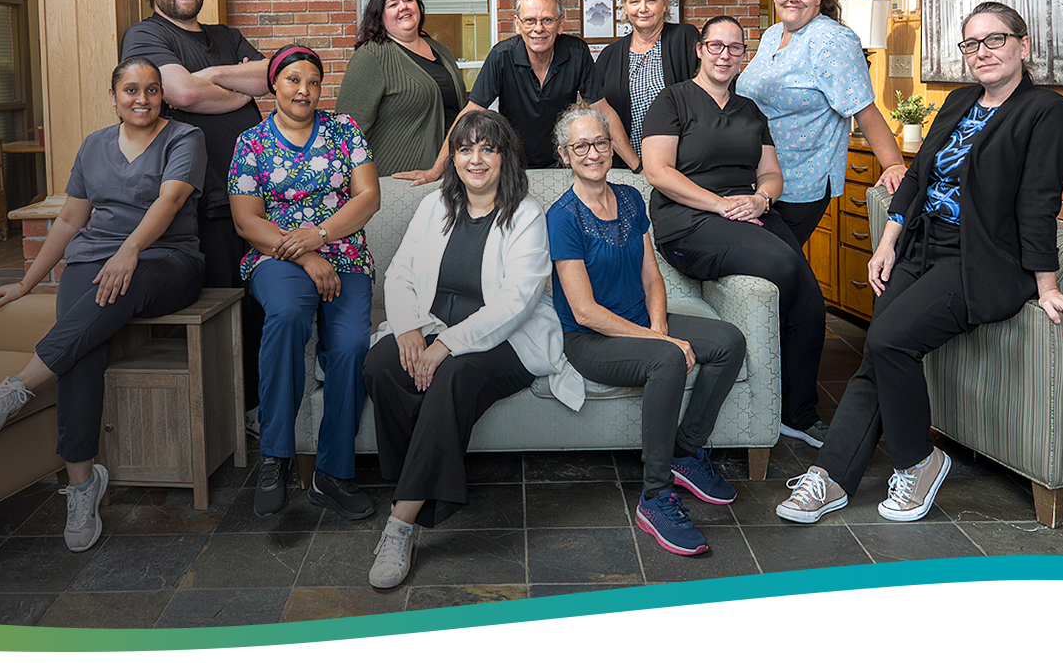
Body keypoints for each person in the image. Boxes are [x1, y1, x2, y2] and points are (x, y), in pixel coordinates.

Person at [776, 2, 1063, 525]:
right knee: (877, 352)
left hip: (981, 260)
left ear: (1023, 45)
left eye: (995, 40)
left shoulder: (1046, 112)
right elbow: (918, 176)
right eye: (972, 44)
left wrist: (1048, 287)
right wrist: (887, 243)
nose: (982, 52)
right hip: (921, 246)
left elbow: (1038, 204)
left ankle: (918, 461)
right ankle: (830, 476)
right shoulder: (960, 100)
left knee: (889, 341)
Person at [0, 57, 206, 552]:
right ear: (113, 96)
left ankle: (17, 388)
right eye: (131, 90)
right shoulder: (93, 145)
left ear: (163, 96)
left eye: (152, 90)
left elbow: (170, 202)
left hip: (165, 259)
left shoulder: (184, 138)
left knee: (122, 283)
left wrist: (128, 251)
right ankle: (81, 485)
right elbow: (71, 221)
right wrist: (27, 283)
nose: (142, 99)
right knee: (81, 350)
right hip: (94, 259)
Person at [362, 110, 584, 589]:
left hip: (506, 338)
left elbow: (516, 302)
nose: (475, 159)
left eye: (488, 148)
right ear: (454, 158)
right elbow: (399, 273)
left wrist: (445, 345)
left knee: (452, 377)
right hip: (433, 323)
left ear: (505, 158)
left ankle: (400, 524)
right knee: (380, 363)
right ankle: (417, 489)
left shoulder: (526, 214)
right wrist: (407, 330)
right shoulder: (434, 206)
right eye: (465, 149)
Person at [548, 103, 746, 556]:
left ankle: (685, 453)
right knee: (669, 358)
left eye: (600, 142)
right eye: (581, 146)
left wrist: (658, 324)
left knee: (729, 341)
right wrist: (662, 341)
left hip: (640, 321)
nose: (593, 153)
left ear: (611, 146)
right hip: (590, 339)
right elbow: (585, 312)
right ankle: (655, 496)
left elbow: (652, 278)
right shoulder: (561, 217)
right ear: (564, 155)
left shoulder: (631, 197)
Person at [641, 15, 827, 448]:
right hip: (689, 219)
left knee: (812, 303)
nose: (725, 55)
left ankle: (797, 413)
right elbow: (658, 171)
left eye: (735, 48)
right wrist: (719, 204)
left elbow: (771, 174)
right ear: (700, 49)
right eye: (716, 46)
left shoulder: (750, 110)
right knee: (782, 263)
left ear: (744, 54)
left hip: (748, 212)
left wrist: (761, 200)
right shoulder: (673, 101)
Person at [229, 46, 381, 519]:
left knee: (351, 345)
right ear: (274, 84)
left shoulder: (344, 130)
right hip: (277, 256)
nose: (304, 90)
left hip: (344, 254)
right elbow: (246, 221)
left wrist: (320, 236)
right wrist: (307, 254)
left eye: (313, 82)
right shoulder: (251, 142)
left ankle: (332, 474)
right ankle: (275, 455)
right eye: (294, 80)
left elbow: (369, 197)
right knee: (288, 313)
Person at [120, 0, 269, 409]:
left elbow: (271, 77)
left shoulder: (227, 35)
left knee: (262, 306)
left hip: (257, 193)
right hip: (204, 200)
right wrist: (238, 86)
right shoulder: (145, 35)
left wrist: (214, 75)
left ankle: (262, 409)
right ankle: (233, 415)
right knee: (226, 311)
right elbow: (182, 93)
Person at [736, 0, 907, 246]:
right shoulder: (772, 35)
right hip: (757, 176)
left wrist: (892, 164)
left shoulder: (833, 40)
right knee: (763, 266)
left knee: (771, 262)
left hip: (799, 181)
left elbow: (863, 109)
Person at [398, 0, 614, 181]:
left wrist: (632, 164)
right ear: (517, 24)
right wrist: (436, 170)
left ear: (561, 24)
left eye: (547, 20)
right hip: (513, 166)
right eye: (530, 21)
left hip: (563, 164)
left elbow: (603, 111)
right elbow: (470, 112)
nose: (538, 28)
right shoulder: (502, 56)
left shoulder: (577, 52)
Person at [336, 0, 468, 177]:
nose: (403, 7)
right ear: (379, 15)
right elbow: (348, 133)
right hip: (398, 180)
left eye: (408, 0)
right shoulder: (371, 56)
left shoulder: (441, 50)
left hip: (452, 175)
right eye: (393, 4)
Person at [593, 0, 700, 173]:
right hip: (627, 169)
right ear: (625, 6)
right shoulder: (609, 56)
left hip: (683, 168)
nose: (643, 8)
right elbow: (601, 116)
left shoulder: (685, 38)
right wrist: (637, 167)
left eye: (651, 0)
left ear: (665, 3)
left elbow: (703, 101)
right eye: (634, 1)